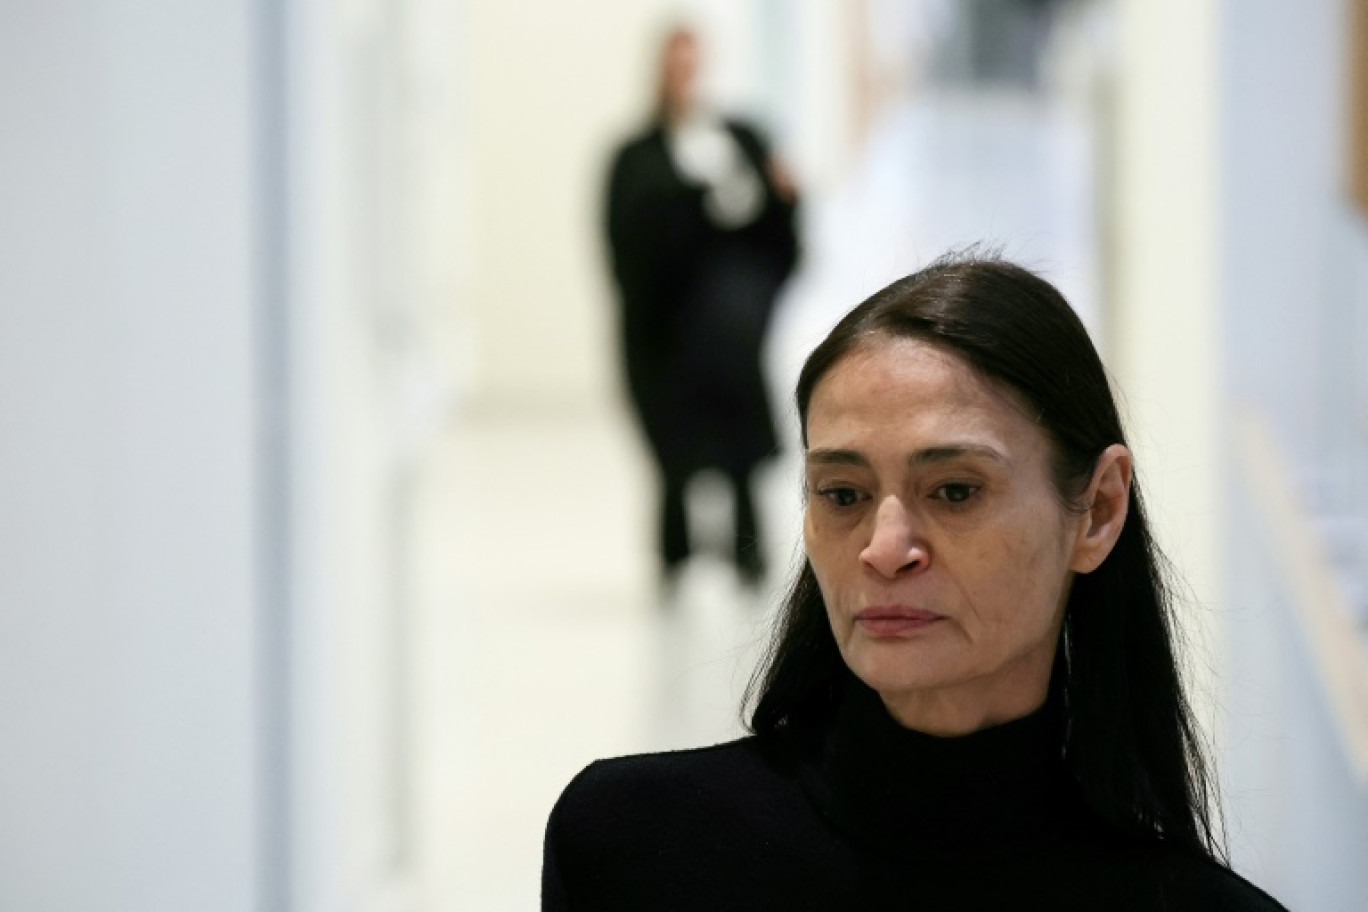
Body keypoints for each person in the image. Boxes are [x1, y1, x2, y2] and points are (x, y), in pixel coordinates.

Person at [542, 254, 1287, 910]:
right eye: (842, 494)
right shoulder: (631, 847)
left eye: (955, 491)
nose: (885, 549)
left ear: (1097, 511)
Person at [604, 24, 799, 585]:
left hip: (732, 338)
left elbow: (777, 229)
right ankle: (678, 556)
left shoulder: (741, 140)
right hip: (666, 339)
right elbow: (625, 246)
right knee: (675, 456)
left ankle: (744, 550)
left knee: (739, 452)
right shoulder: (635, 159)